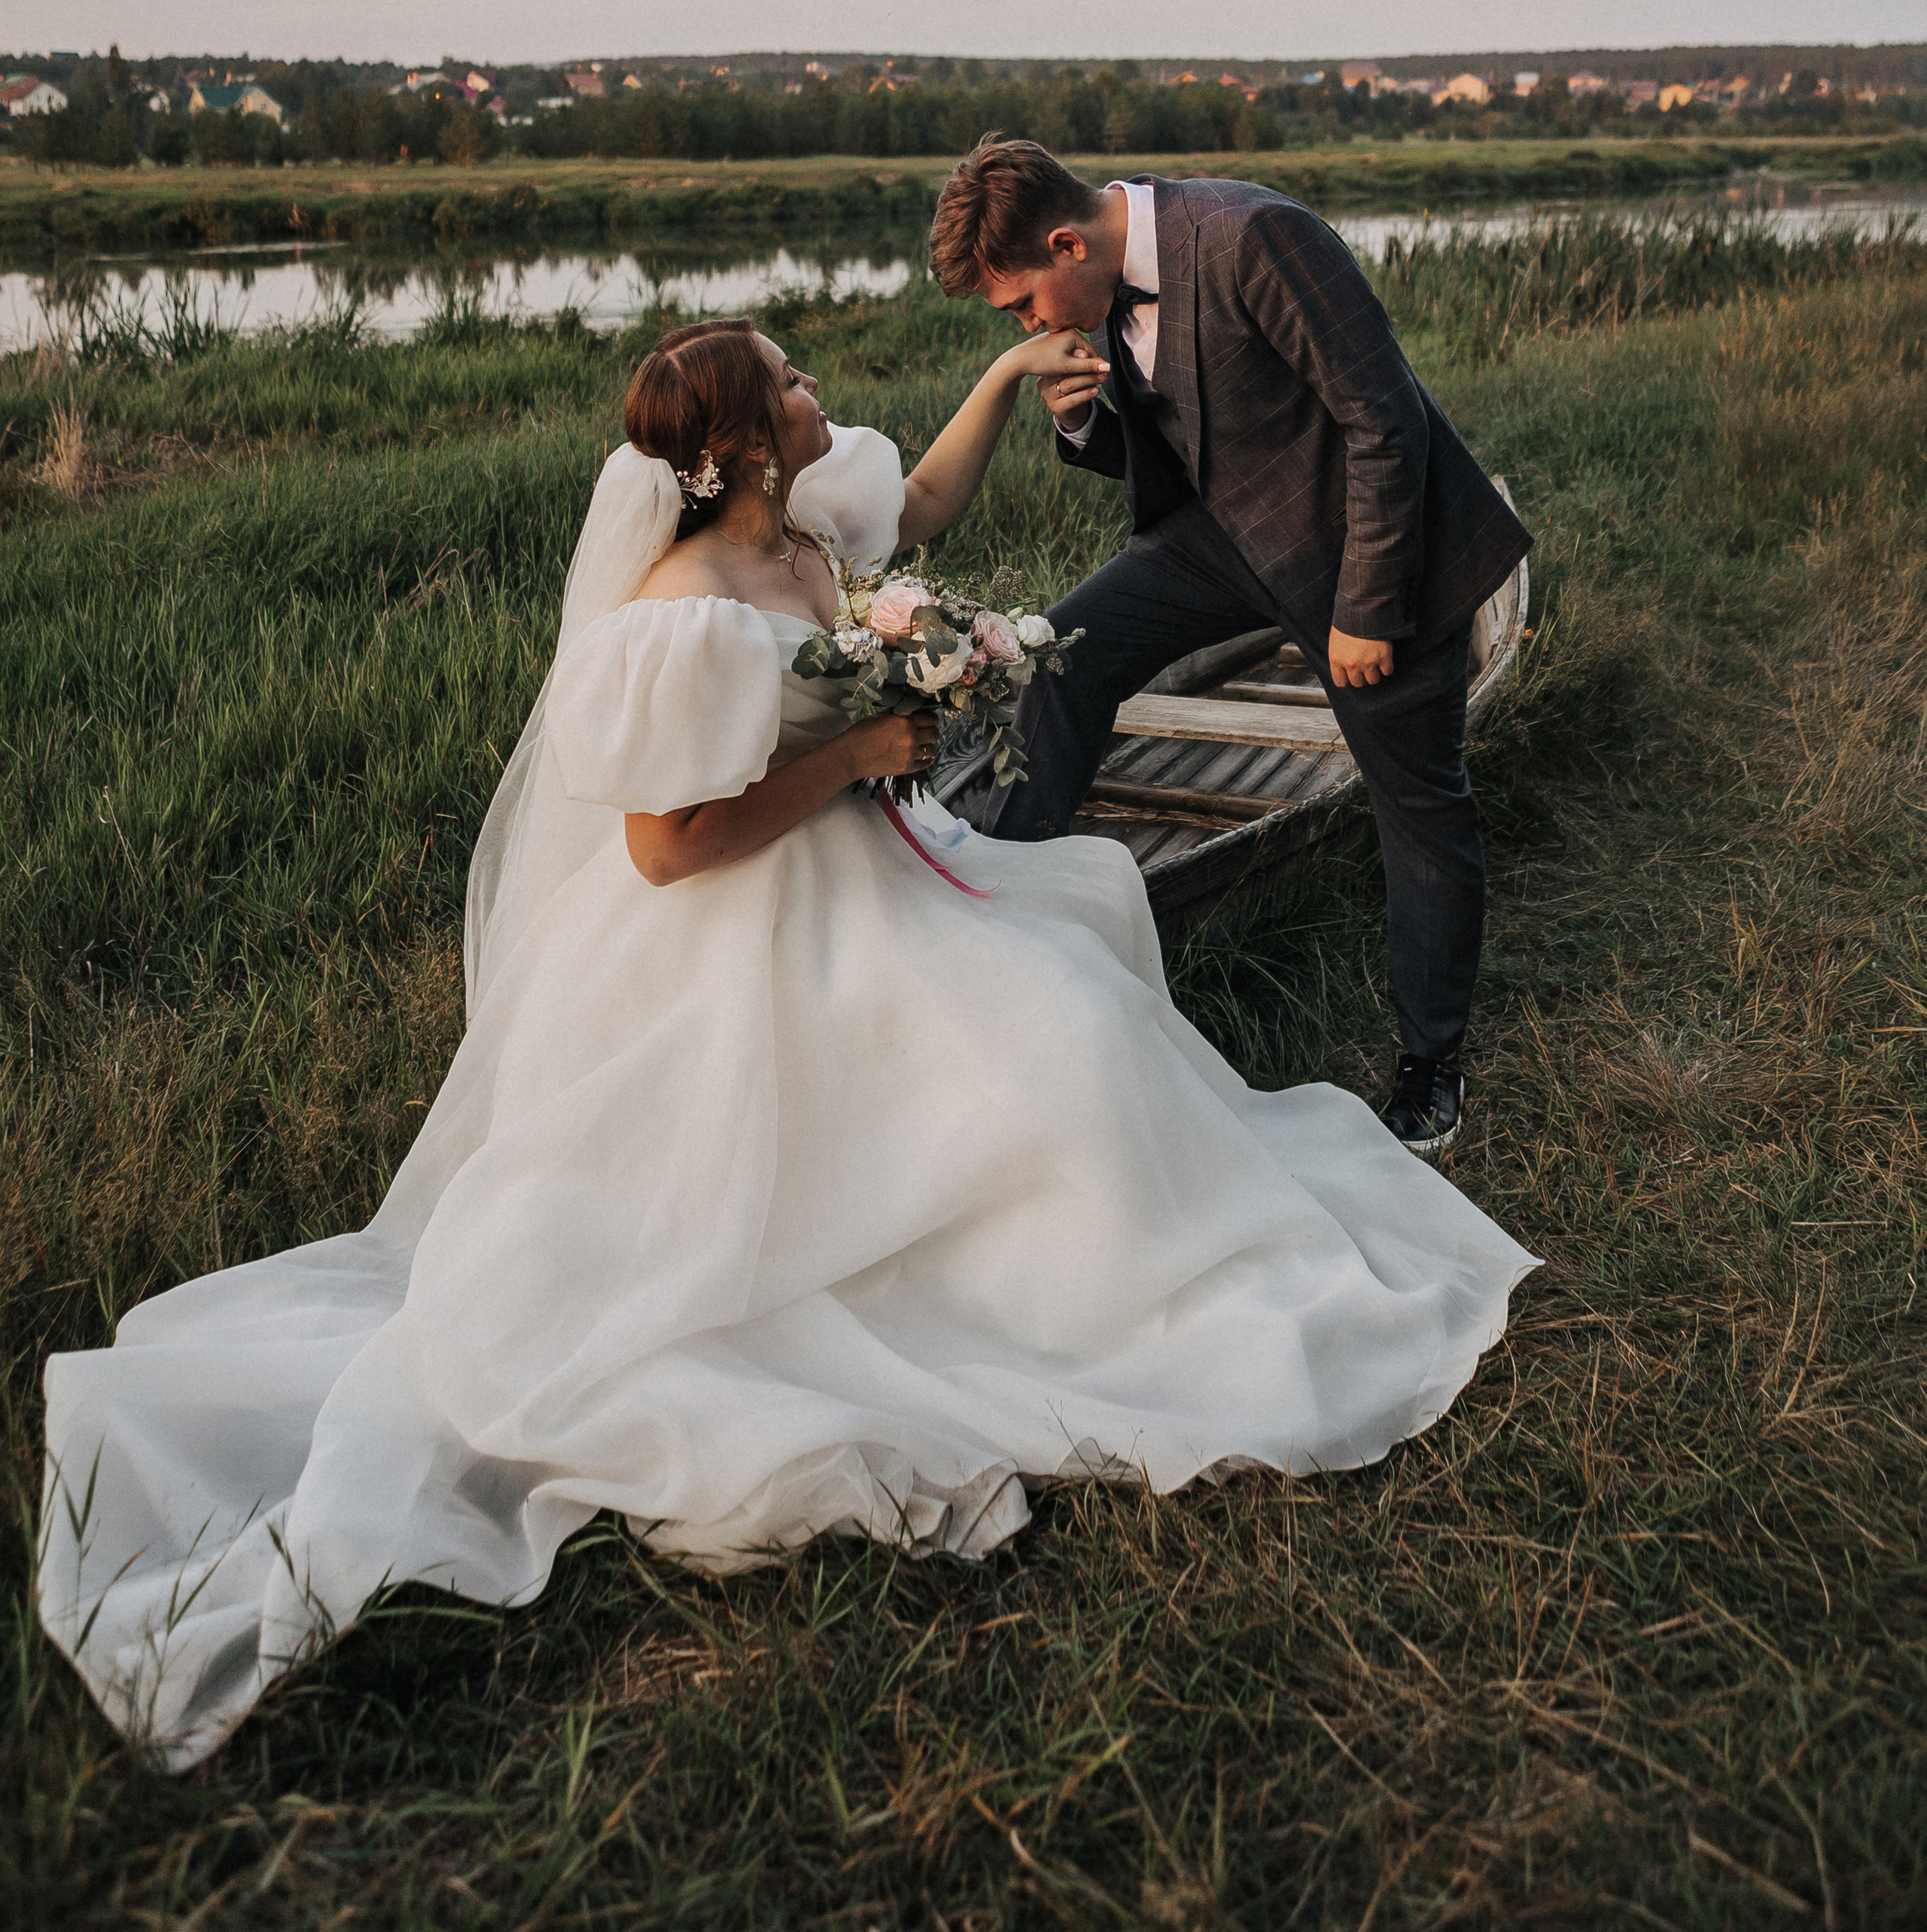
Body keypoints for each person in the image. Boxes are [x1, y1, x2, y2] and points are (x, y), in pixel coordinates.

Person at [38, 319, 1532, 1772]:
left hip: (877, 870)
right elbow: (666, 848)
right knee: (1048, 1032)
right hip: (749, 926)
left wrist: (1007, 378)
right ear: (748, 445)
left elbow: (924, 499)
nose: (817, 389)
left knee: (1075, 973)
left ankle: (1110, 1225)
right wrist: (855, 753)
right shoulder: (679, 610)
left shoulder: (808, 524)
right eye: (791, 380)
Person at [927, 138, 1533, 1158]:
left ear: (1067, 243)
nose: (1029, 327)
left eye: (1022, 304)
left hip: (1375, 554)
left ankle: (1432, 1069)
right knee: (1067, 649)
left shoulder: (1257, 238)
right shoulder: (1112, 285)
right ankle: (1017, 920)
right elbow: (1188, 447)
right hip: (1229, 540)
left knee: (1419, 807)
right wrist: (1080, 427)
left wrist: (1367, 608)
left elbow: (1386, 423)